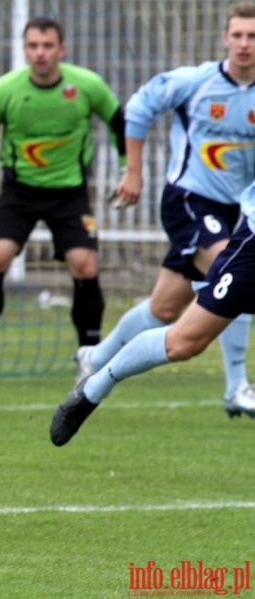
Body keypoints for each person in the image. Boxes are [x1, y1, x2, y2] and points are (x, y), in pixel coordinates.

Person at [74, 1, 255, 417]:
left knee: (163, 308)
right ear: (225, 38)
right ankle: (236, 387)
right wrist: (133, 171)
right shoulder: (196, 82)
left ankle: (95, 358)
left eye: (253, 36)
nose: (245, 44)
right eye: (238, 35)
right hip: (190, 199)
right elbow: (138, 108)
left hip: (241, 211)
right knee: (231, 272)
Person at [0, 16, 127, 384]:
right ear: (24, 49)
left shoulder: (86, 85)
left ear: (61, 50)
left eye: (47, 46)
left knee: (85, 265)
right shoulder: (5, 89)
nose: (40, 53)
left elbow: (119, 122)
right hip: (20, 191)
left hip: (70, 192)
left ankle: (89, 357)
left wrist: (130, 170)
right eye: (33, 46)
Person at [51, 173, 255, 446]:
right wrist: (131, 168)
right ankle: (93, 387)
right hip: (222, 222)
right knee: (183, 342)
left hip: (225, 204)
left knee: (164, 306)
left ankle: (236, 386)